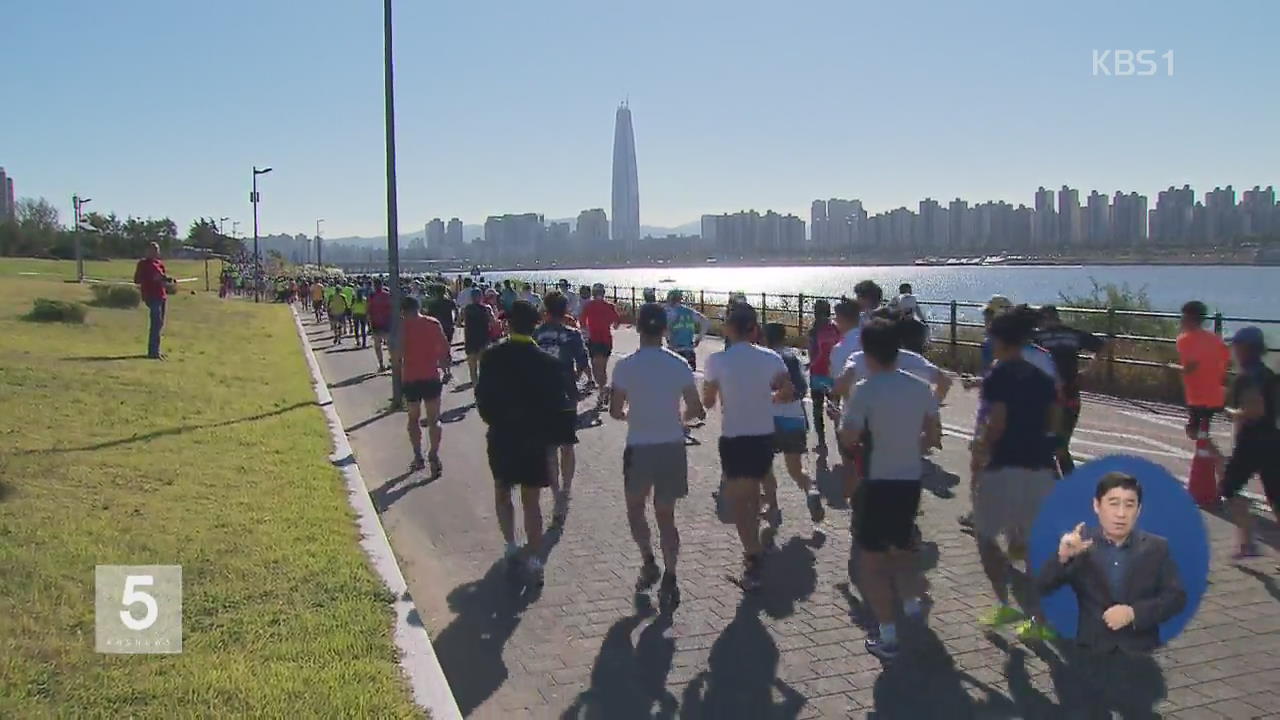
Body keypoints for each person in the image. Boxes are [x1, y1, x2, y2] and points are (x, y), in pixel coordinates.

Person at [840, 318, 939, 660]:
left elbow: (849, 438)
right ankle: (911, 606)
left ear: (866, 352)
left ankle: (889, 637)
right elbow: (933, 438)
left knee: (871, 564)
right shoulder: (920, 388)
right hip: (910, 481)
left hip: (877, 483)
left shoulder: (864, 390)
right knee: (903, 548)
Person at [610, 303, 706, 607]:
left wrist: (631, 415)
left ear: (638, 329)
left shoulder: (624, 366)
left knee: (635, 508)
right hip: (671, 447)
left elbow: (615, 410)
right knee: (666, 515)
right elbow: (697, 410)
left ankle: (648, 560)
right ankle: (671, 575)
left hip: (639, 447)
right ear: (665, 330)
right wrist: (681, 419)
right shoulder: (679, 364)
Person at [972, 310, 1059, 642]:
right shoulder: (1042, 378)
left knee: (985, 536)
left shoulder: (999, 375)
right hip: (1039, 465)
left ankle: (1004, 603)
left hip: (1004, 466)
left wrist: (980, 451)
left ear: (1000, 340)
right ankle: (1039, 620)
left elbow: (996, 423)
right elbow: (1054, 421)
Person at [1037, 472, 1187, 653]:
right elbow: (1042, 587)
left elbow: (1176, 598)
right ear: (1096, 506)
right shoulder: (1080, 545)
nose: (1121, 514)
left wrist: (1133, 613)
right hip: (1091, 651)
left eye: (1129, 505)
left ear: (1138, 510)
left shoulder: (1157, 548)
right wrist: (1062, 557)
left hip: (1141, 651)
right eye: (1113, 504)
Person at [475, 300, 569, 585]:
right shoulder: (548, 363)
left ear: (507, 324)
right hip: (534, 439)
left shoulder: (491, 357)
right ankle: (536, 560)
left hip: (503, 435)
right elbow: (556, 405)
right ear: (535, 324)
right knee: (532, 502)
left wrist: (494, 421)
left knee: (503, 492)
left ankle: (511, 546)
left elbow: (483, 398)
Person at [702, 304, 792, 591]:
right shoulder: (771, 357)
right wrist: (771, 401)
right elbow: (787, 390)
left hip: (735, 436)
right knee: (753, 494)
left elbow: (707, 401)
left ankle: (752, 560)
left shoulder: (716, 360)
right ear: (754, 329)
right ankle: (755, 550)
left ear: (728, 329)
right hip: (764, 435)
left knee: (742, 502)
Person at [1221, 326, 1279, 559]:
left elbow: (1255, 410)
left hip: (1252, 441)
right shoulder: (1269, 375)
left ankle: (1247, 541)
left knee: (1229, 488)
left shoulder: (1248, 377)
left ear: (1245, 348)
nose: (1233, 350)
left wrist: (1232, 412)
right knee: (1276, 497)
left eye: (1236, 345)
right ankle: (1247, 543)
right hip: (1273, 439)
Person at [534, 290, 590, 524]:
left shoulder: (536, 334)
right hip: (566, 394)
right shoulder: (572, 334)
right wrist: (586, 378)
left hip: (541, 396)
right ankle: (566, 491)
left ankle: (556, 492)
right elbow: (583, 361)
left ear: (545, 310)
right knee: (567, 445)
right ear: (565, 310)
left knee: (549, 448)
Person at [1034, 305, 1106, 475]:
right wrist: (1088, 372)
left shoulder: (1039, 338)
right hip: (1071, 394)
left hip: (1049, 397)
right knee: (1060, 446)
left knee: (1051, 446)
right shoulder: (1073, 334)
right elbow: (1102, 347)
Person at [764, 323, 824, 524]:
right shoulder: (793, 357)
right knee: (795, 469)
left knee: (765, 466)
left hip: (769, 419)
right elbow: (801, 388)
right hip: (794, 418)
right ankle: (810, 490)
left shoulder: (766, 358)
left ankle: (772, 505)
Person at [397, 296, 452, 475]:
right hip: (431, 376)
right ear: (419, 307)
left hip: (410, 378)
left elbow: (396, 354)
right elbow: (444, 350)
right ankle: (434, 455)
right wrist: (446, 370)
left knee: (413, 418)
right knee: (434, 420)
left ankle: (417, 455)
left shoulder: (400, 327)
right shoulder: (433, 324)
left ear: (403, 311)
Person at [1176, 301, 1230, 456]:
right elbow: (1225, 361)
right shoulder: (1215, 339)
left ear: (1190, 318)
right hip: (1215, 393)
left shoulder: (1185, 340)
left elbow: (1191, 367)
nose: (1181, 320)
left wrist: (1175, 368)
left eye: (1184, 317)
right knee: (1200, 431)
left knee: (1195, 431)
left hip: (1199, 395)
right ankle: (1209, 460)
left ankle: (1219, 462)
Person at [807, 299, 842, 450]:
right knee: (834, 406)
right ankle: (841, 439)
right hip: (833, 373)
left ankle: (822, 442)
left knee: (817, 408)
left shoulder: (813, 331)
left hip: (817, 372)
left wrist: (811, 363)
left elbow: (811, 352)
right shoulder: (836, 328)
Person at [580, 283, 622, 405]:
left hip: (594, 339)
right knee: (602, 367)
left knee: (595, 367)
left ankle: (602, 389)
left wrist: (586, 331)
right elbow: (617, 323)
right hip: (606, 340)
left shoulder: (588, 306)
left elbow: (582, 322)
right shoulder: (609, 306)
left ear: (593, 293)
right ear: (603, 293)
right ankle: (603, 390)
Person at [133, 242, 173, 360]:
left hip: (162, 296)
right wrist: (151, 279)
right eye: (151, 250)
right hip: (151, 296)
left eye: (156, 250)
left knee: (159, 324)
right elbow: (137, 280)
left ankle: (156, 350)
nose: (154, 252)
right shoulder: (143, 264)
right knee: (156, 321)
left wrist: (167, 281)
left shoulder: (159, 264)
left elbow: (163, 279)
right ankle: (153, 352)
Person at [665, 289, 709, 372]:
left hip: (675, 351)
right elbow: (705, 321)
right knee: (690, 378)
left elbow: (665, 328)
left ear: (670, 299)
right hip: (689, 350)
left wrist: (668, 338)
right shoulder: (690, 312)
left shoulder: (669, 312)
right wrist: (699, 338)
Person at [462, 288, 495, 385]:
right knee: (484, 367)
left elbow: (459, 322)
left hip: (470, 340)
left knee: (472, 369)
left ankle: (476, 390)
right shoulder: (487, 308)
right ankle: (483, 390)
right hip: (483, 339)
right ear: (481, 297)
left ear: (471, 298)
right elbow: (493, 322)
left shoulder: (466, 309)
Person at [367, 279, 393, 373]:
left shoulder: (372, 296)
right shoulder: (387, 295)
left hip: (376, 323)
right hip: (387, 323)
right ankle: (392, 361)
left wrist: (369, 325)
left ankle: (381, 364)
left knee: (378, 345)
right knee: (390, 344)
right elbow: (392, 309)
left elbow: (369, 311)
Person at [425, 284, 458, 348]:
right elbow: (456, 311)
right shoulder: (449, 302)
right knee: (448, 343)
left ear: (435, 292)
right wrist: (455, 320)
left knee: (437, 344)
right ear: (445, 292)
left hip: (436, 325)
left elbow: (429, 315)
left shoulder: (432, 304)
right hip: (448, 325)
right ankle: (447, 355)